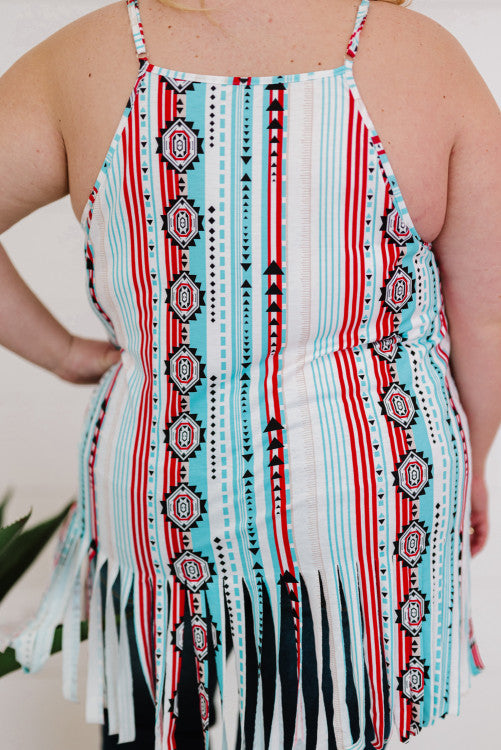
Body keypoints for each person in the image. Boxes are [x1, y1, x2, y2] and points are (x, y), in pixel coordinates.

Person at [0, 0, 499, 748]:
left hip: (168, 514)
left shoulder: (88, 57)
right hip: (366, 516)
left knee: (169, 728)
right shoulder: (424, 59)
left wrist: (62, 353)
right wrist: (475, 460)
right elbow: (487, 319)